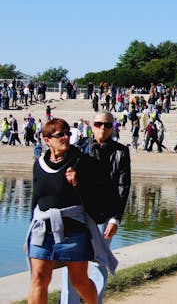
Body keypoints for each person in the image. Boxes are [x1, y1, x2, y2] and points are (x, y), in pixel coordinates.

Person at [26, 118, 117, 304]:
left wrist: (79, 182)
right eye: (60, 135)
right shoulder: (39, 164)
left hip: (74, 232)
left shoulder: (82, 162)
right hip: (43, 230)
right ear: (47, 140)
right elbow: (36, 198)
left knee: (79, 281)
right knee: (39, 278)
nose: (66, 137)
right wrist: (32, 223)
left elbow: (100, 194)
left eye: (68, 133)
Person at [61, 112, 131, 304]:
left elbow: (123, 186)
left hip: (107, 212)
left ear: (112, 127)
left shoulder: (121, 152)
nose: (102, 128)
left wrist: (116, 218)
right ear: (91, 125)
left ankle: (95, 301)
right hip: (80, 212)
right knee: (73, 261)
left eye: (107, 125)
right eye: (98, 124)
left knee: (100, 261)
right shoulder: (79, 148)